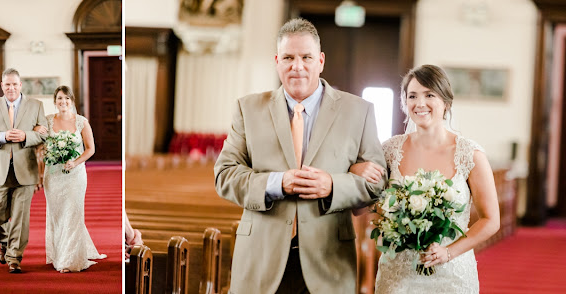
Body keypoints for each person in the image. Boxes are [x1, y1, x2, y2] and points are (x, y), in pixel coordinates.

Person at [214, 18, 386, 293]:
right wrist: (276, 183)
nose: (297, 66)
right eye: (288, 57)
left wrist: (333, 185)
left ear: (320, 60)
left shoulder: (359, 111)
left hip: (329, 260)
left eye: (306, 57)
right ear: (277, 61)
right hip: (260, 259)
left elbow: (378, 181)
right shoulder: (248, 108)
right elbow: (224, 175)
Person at [349, 64, 500, 293]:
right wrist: (355, 172)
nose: (420, 103)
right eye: (412, 96)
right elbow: (361, 206)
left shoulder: (470, 155)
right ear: (404, 103)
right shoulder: (389, 151)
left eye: (429, 95)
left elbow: (491, 220)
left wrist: (448, 252)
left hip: (451, 274)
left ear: (446, 103)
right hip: (398, 275)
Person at [0, 68, 48, 273]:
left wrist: (26, 136)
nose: (11, 88)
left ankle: (14, 258)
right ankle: (5, 243)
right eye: (7, 84)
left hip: (25, 168)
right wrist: (2, 136)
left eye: (15, 84)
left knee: (20, 216)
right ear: (2, 85)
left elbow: (43, 134)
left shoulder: (36, 105)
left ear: (21, 85)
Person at [33, 86, 106, 273]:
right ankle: (59, 253)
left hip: (75, 175)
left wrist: (75, 162)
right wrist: (36, 129)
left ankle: (69, 259)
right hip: (54, 176)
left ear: (71, 100)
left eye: (66, 98)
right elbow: (37, 139)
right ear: (55, 101)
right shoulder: (48, 121)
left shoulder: (81, 122)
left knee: (73, 214)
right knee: (57, 215)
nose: (63, 102)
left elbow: (90, 149)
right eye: (59, 98)